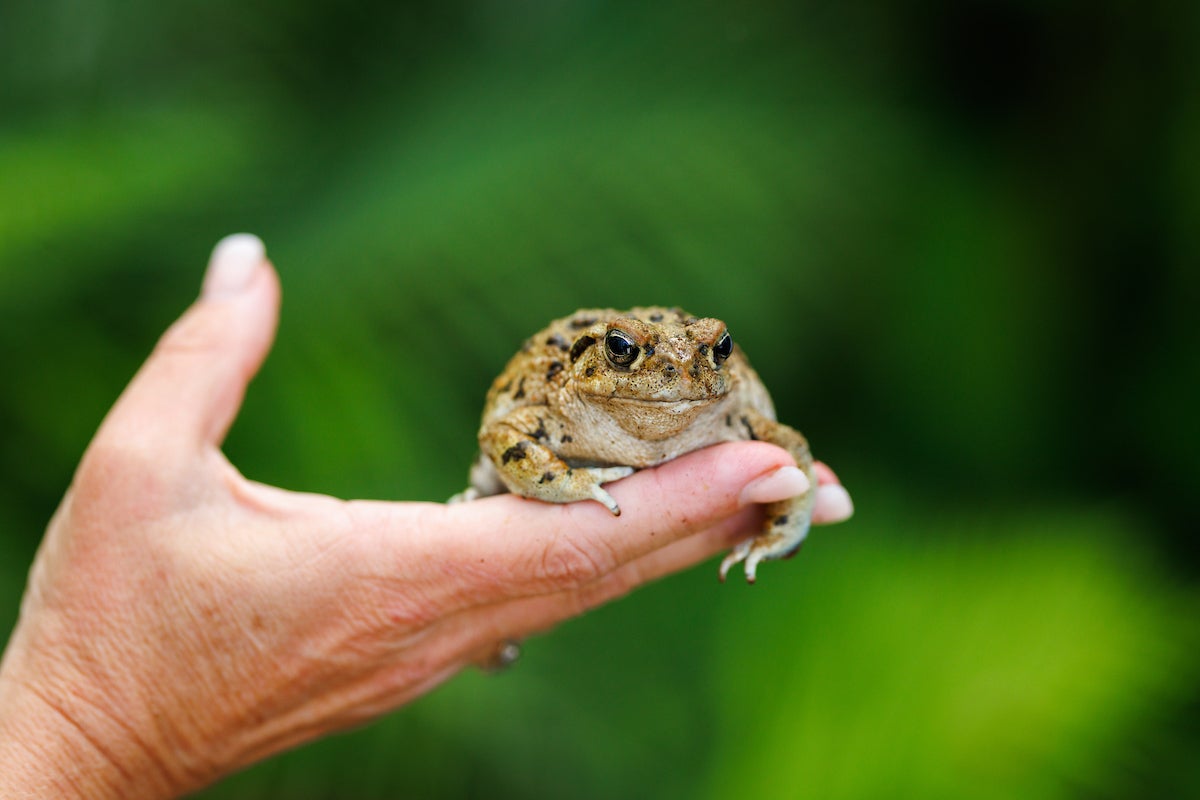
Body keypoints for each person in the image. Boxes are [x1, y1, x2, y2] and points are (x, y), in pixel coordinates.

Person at [0, 235, 854, 798]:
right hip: (575, 451)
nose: (677, 374)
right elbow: (504, 430)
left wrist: (787, 519)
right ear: (600, 360)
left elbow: (790, 456)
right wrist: (88, 735)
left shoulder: (725, 399)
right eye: (633, 357)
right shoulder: (560, 387)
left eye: (711, 353)